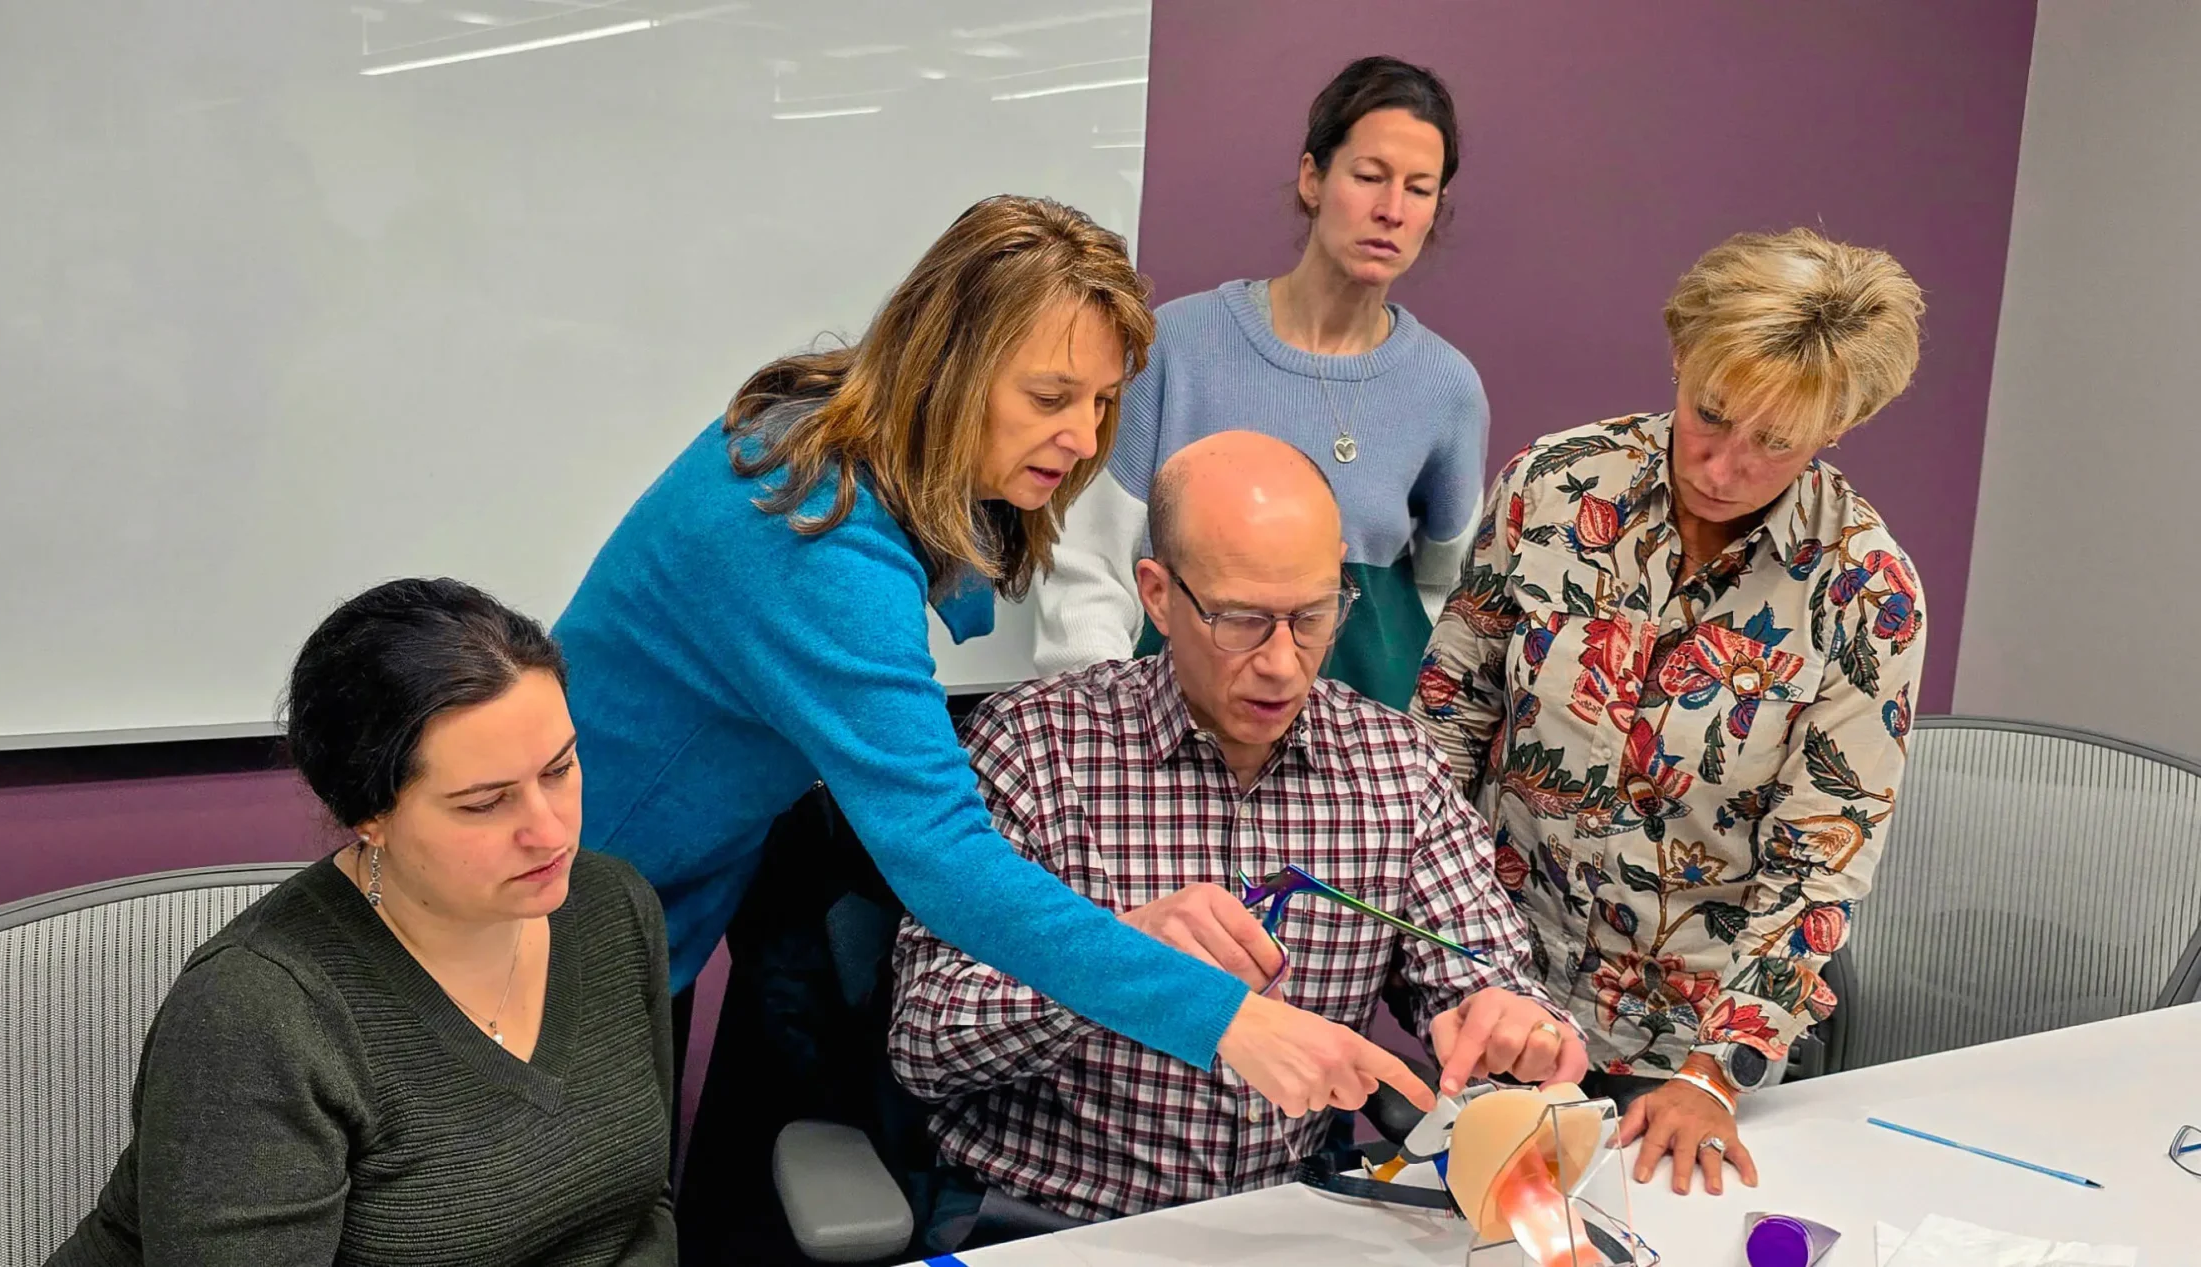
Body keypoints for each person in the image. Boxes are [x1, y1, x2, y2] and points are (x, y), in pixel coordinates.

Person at [556, 196, 1414, 1133]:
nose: (1086, 439)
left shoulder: (852, 436)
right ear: (946, 369)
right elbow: (946, 858)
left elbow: (960, 599)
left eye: (1100, 402)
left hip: (650, 904)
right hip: (557, 925)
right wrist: (1226, 1020)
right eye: (1050, 398)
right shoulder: (814, 532)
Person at [889, 431, 1589, 1247]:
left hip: (1287, 1222)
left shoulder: (1395, 765)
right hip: (1053, 1223)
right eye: (1243, 620)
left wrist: (1511, 1021)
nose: (1283, 666)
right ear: (1157, 594)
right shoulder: (1036, 747)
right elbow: (925, 1041)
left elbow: (1483, 974)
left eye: (1313, 615)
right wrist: (1115, 954)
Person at [1412, 228, 1928, 1197]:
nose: (1725, 465)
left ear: (1836, 428)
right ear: (1679, 357)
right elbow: (1441, 730)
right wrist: (1450, 962)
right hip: (1501, 1003)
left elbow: (1817, 875)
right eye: (1711, 414)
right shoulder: (1556, 487)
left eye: (1774, 441)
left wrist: (1711, 1074)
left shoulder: (1863, 591)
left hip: (1690, 1053)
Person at [49, 578, 675, 1266]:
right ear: (367, 815)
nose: (549, 829)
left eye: (559, 769)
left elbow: (639, 1211)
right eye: (485, 802)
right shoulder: (261, 1012)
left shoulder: (612, 906)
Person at [1035, 55, 1487, 711]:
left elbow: (1447, 596)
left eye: (1418, 189)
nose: (1391, 209)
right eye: (1369, 176)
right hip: (1177, 749)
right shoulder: (1177, 347)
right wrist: (1113, 735)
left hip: (1350, 769)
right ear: (1312, 178)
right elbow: (1086, 568)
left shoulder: (1448, 388)